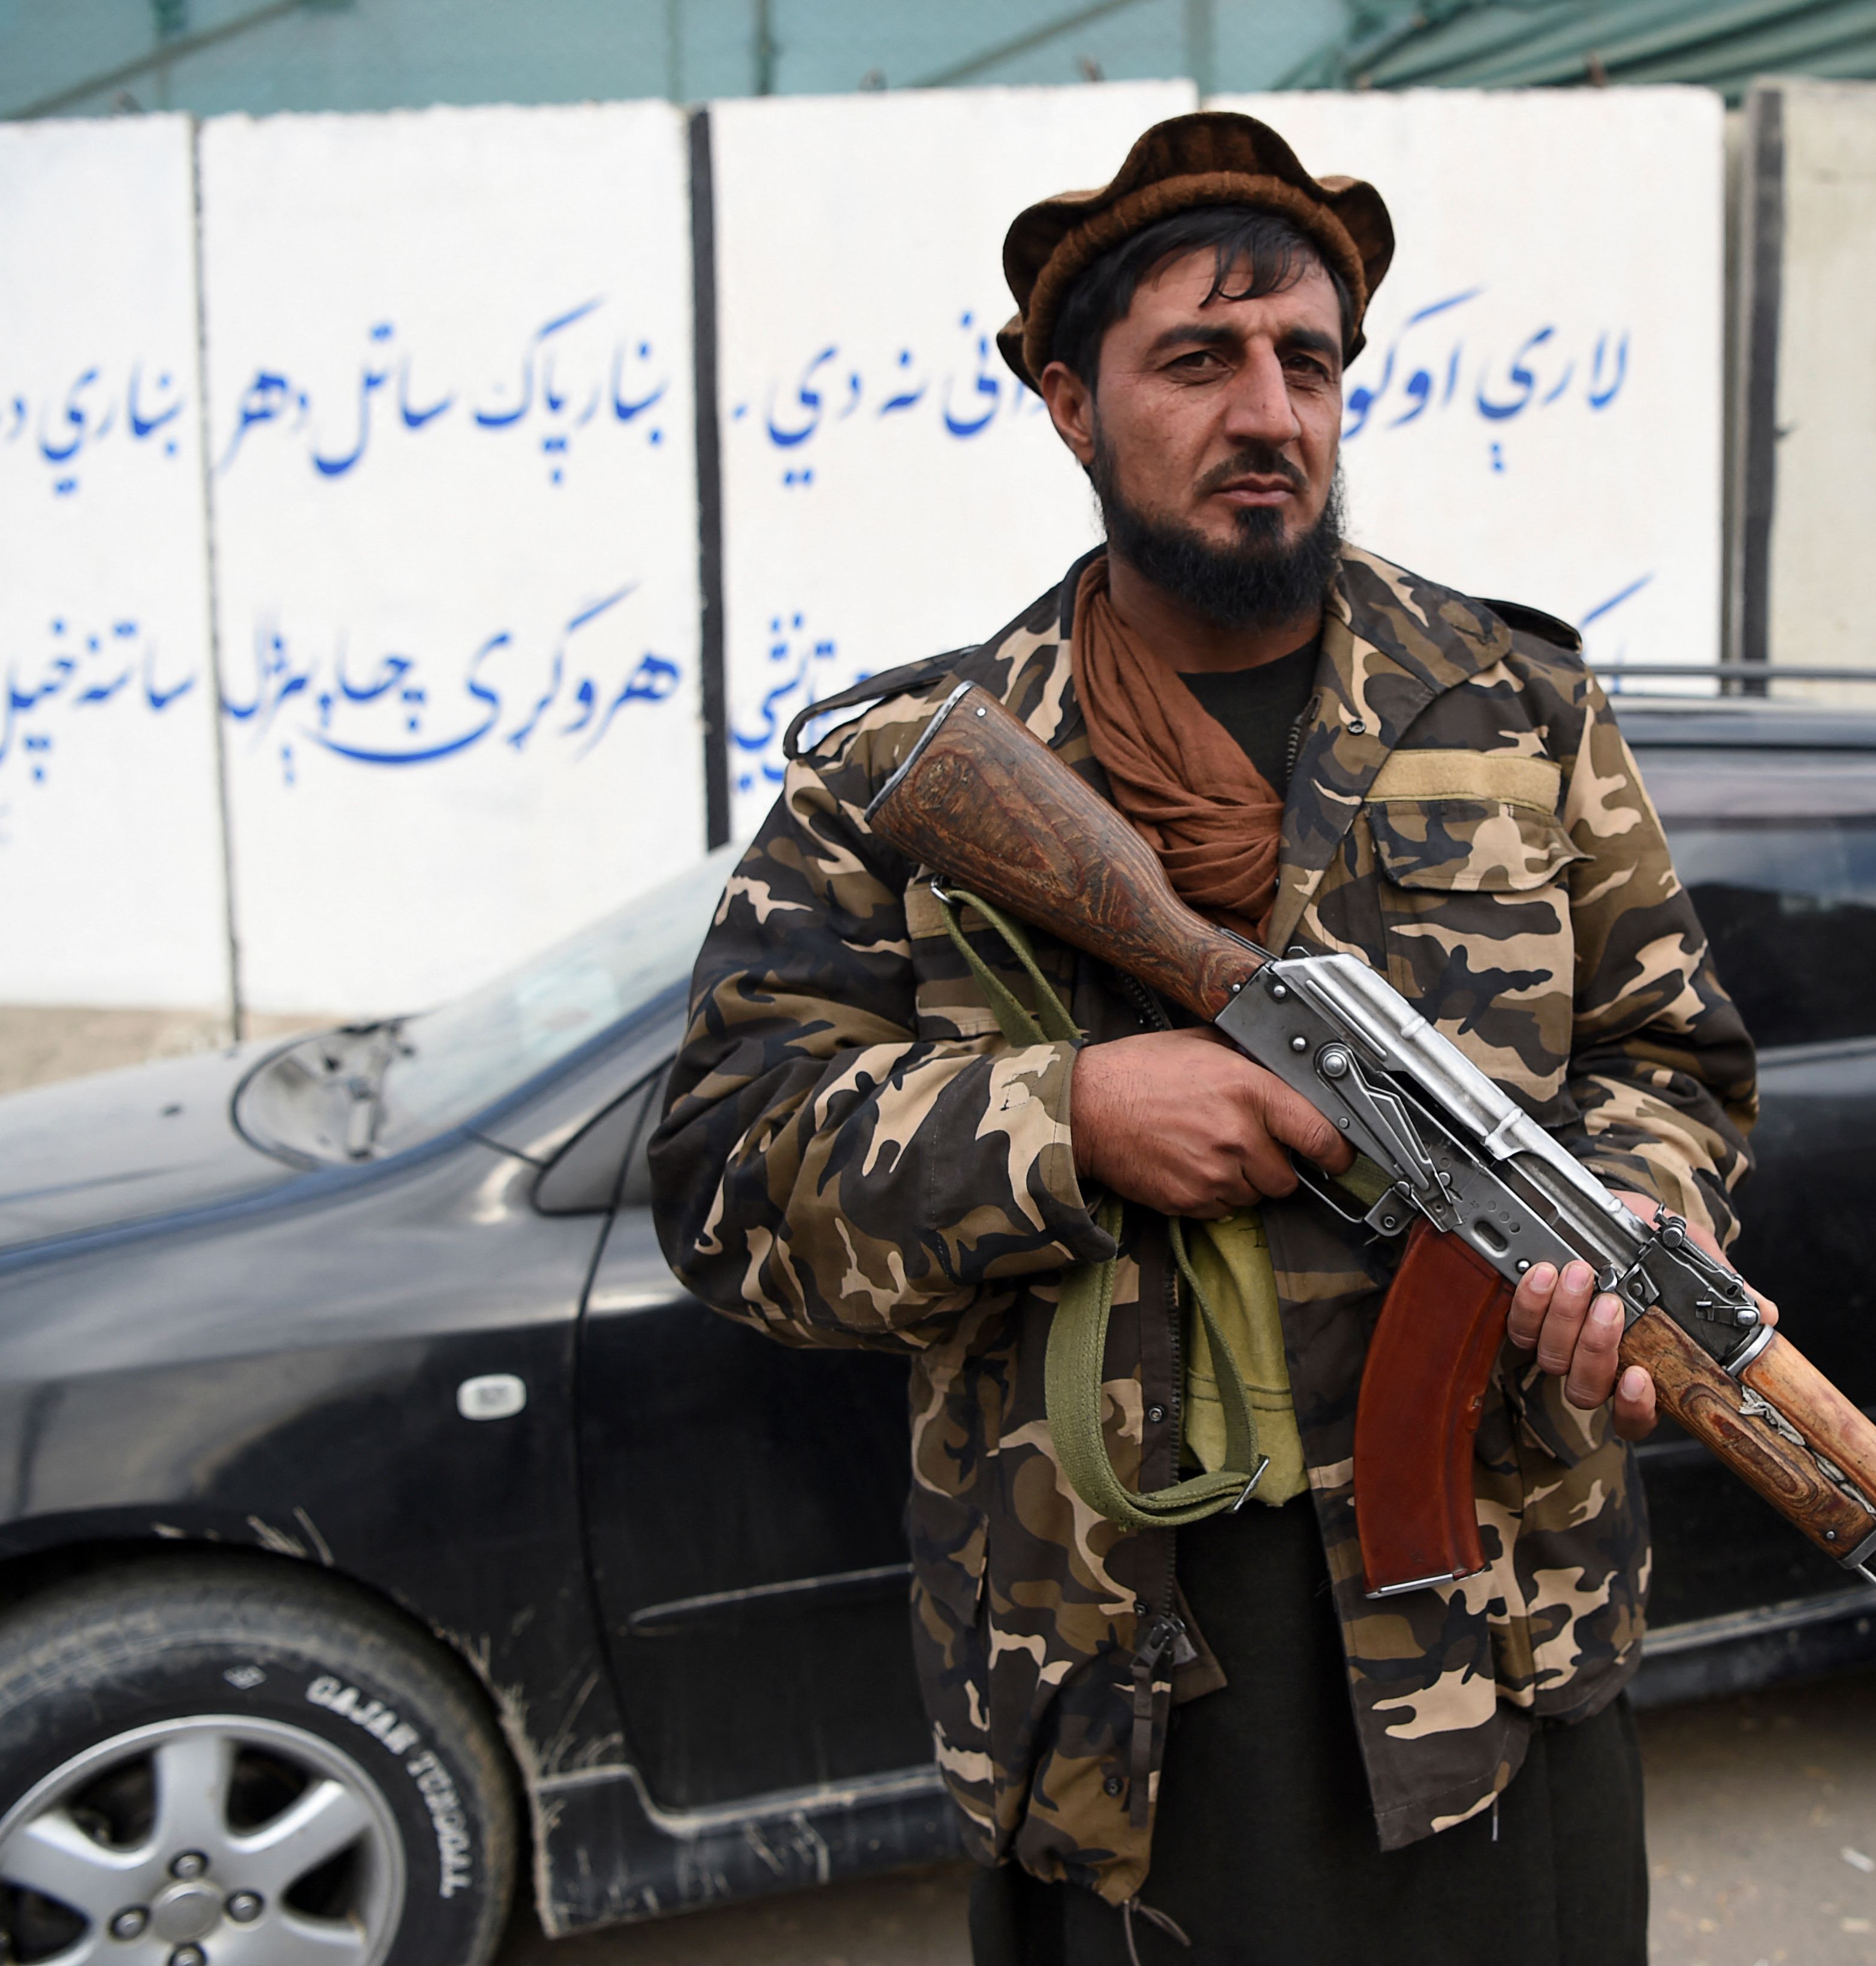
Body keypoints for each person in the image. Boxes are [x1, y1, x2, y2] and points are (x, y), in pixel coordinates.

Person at [647, 110, 1756, 1965]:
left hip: (1497, 1653)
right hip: (1114, 1703)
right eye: (1198, 358)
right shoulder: (911, 772)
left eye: (1306, 359)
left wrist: (1623, 1226)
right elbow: (723, 1177)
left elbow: (1675, 1061)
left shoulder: (1522, 710)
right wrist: (1064, 1118)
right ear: (1072, 405)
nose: (1270, 410)